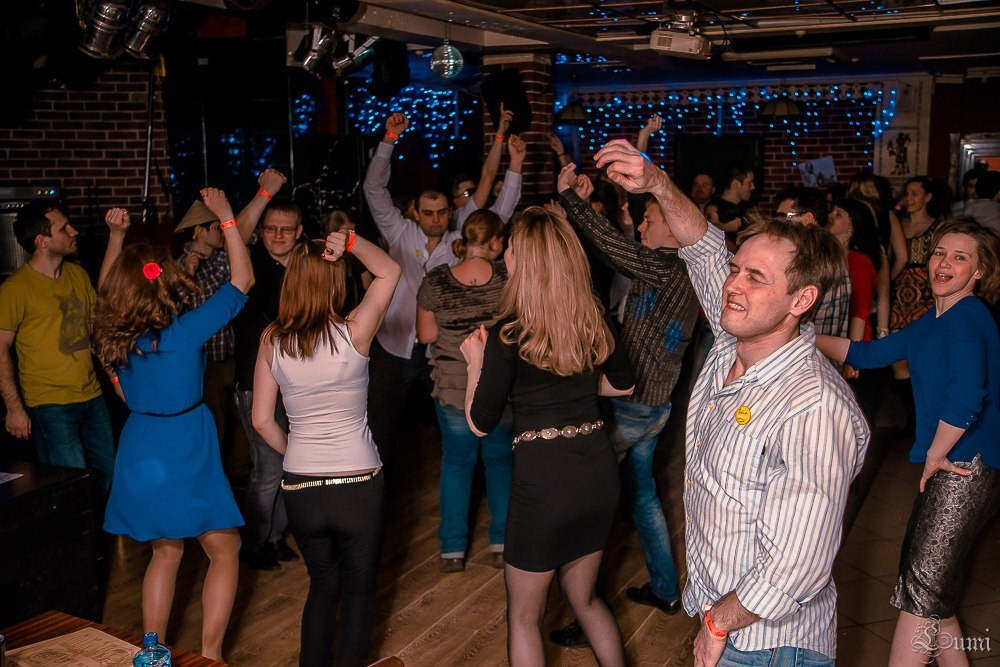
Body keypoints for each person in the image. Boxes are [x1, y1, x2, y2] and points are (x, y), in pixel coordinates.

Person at [594, 139, 869, 667]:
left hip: (767, 644)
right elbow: (702, 246)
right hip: (728, 619)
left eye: (754, 277)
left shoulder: (813, 405)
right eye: (736, 269)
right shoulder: (730, 344)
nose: (731, 285)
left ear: (802, 299)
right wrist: (656, 183)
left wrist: (719, 621)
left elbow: (798, 565)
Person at [815, 220, 1000, 666]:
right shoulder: (936, 320)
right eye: (939, 253)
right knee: (934, 595)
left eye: (960, 257)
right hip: (960, 464)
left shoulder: (968, 316)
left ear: (978, 272)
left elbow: (966, 396)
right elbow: (868, 353)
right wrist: (799, 336)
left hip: (964, 467)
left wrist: (936, 453)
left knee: (920, 592)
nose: (944, 263)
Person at [461, 207, 635, 666]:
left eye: (511, 247)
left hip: (545, 483)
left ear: (523, 259)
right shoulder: (593, 319)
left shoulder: (508, 334)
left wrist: (475, 362)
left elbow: (480, 422)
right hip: (596, 471)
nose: (506, 253)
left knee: (524, 618)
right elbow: (623, 385)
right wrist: (574, 384)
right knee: (586, 600)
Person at [92, 188, 253, 660]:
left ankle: (152, 653)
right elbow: (242, 280)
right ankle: (211, 655)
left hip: (141, 444)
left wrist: (115, 238)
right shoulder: (184, 333)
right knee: (224, 549)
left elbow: (105, 296)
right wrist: (226, 218)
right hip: (185, 443)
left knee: (166, 551)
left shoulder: (116, 334)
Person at [554, 164, 700, 637]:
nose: (640, 225)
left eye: (649, 219)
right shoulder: (684, 269)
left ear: (672, 229)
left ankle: (587, 615)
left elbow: (613, 247)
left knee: (591, 503)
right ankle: (666, 589)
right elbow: (614, 246)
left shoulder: (667, 266)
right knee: (643, 496)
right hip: (656, 407)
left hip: (632, 407)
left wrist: (570, 200)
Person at [251, 229, 400, 667]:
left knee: (321, 585)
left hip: (302, 486)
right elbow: (390, 271)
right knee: (359, 590)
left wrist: (297, 453)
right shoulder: (355, 332)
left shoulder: (272, 340)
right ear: (335, 282)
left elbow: (261, 420)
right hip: (358, 484)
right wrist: (350, 242)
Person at [362, 111, 525, 466]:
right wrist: (388, 140)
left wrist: (515, 167)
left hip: (444, 352)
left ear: (450, 211)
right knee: (382, 425)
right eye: (428, 212)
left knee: (456, 426)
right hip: (396, 345)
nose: (435, 219)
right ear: (415, 212)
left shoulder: (460, 239)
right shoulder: (398, 233)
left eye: (441, 212)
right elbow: (373, 190)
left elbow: (501, 210)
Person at [416, 210, 513, 573]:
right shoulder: (506, 277)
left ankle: (452, 549)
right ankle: (502, 543)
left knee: (457, 465)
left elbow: (426, 334)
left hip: (454, 387)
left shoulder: (437, 279)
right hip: (498, 390)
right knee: (500, 464)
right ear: (494, 242)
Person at [0, 201, 117, 494]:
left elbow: (96, 334)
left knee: (110, 477)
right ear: (42, 241)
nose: (73, 231)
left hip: (92, 396)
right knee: (71, 487)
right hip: (49, 404)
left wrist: (115, 378)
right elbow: (0, 349)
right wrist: (14, 408)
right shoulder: (15, 289)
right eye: (64, 228)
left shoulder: (78, 275)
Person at [176, 168, 287, 470]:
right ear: (199, 231)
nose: (222, 232)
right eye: (216, 227)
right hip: (204, 364)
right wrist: (185, 276)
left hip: (231, 357)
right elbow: (171, 314)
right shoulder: (178, 267)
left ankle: (238, 481)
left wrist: (263, 195)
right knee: (215, 425)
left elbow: (240, 234)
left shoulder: (222, 260)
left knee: (240, 426)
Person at [232, 199, 306, 570]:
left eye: (286, 229)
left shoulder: (305, 269)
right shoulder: (250, 267)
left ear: (299, 232)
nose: (278, 236)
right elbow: (234, 234)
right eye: (271, 228)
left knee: (291, 464)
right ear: (261, 232)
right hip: (254, 382)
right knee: (269, 469)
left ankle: (275, 537)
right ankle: (254, 544)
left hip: (296, 383)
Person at [891, 176, 948, 429]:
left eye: (915, 193)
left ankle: (926, 418)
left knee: (925, 360)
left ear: (928, 197)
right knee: (898, 359)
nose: (909, 198)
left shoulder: (939, 227)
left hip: (927, 296)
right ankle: (912, 417)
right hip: (900, 295)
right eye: (907, 193)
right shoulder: (897, 224)